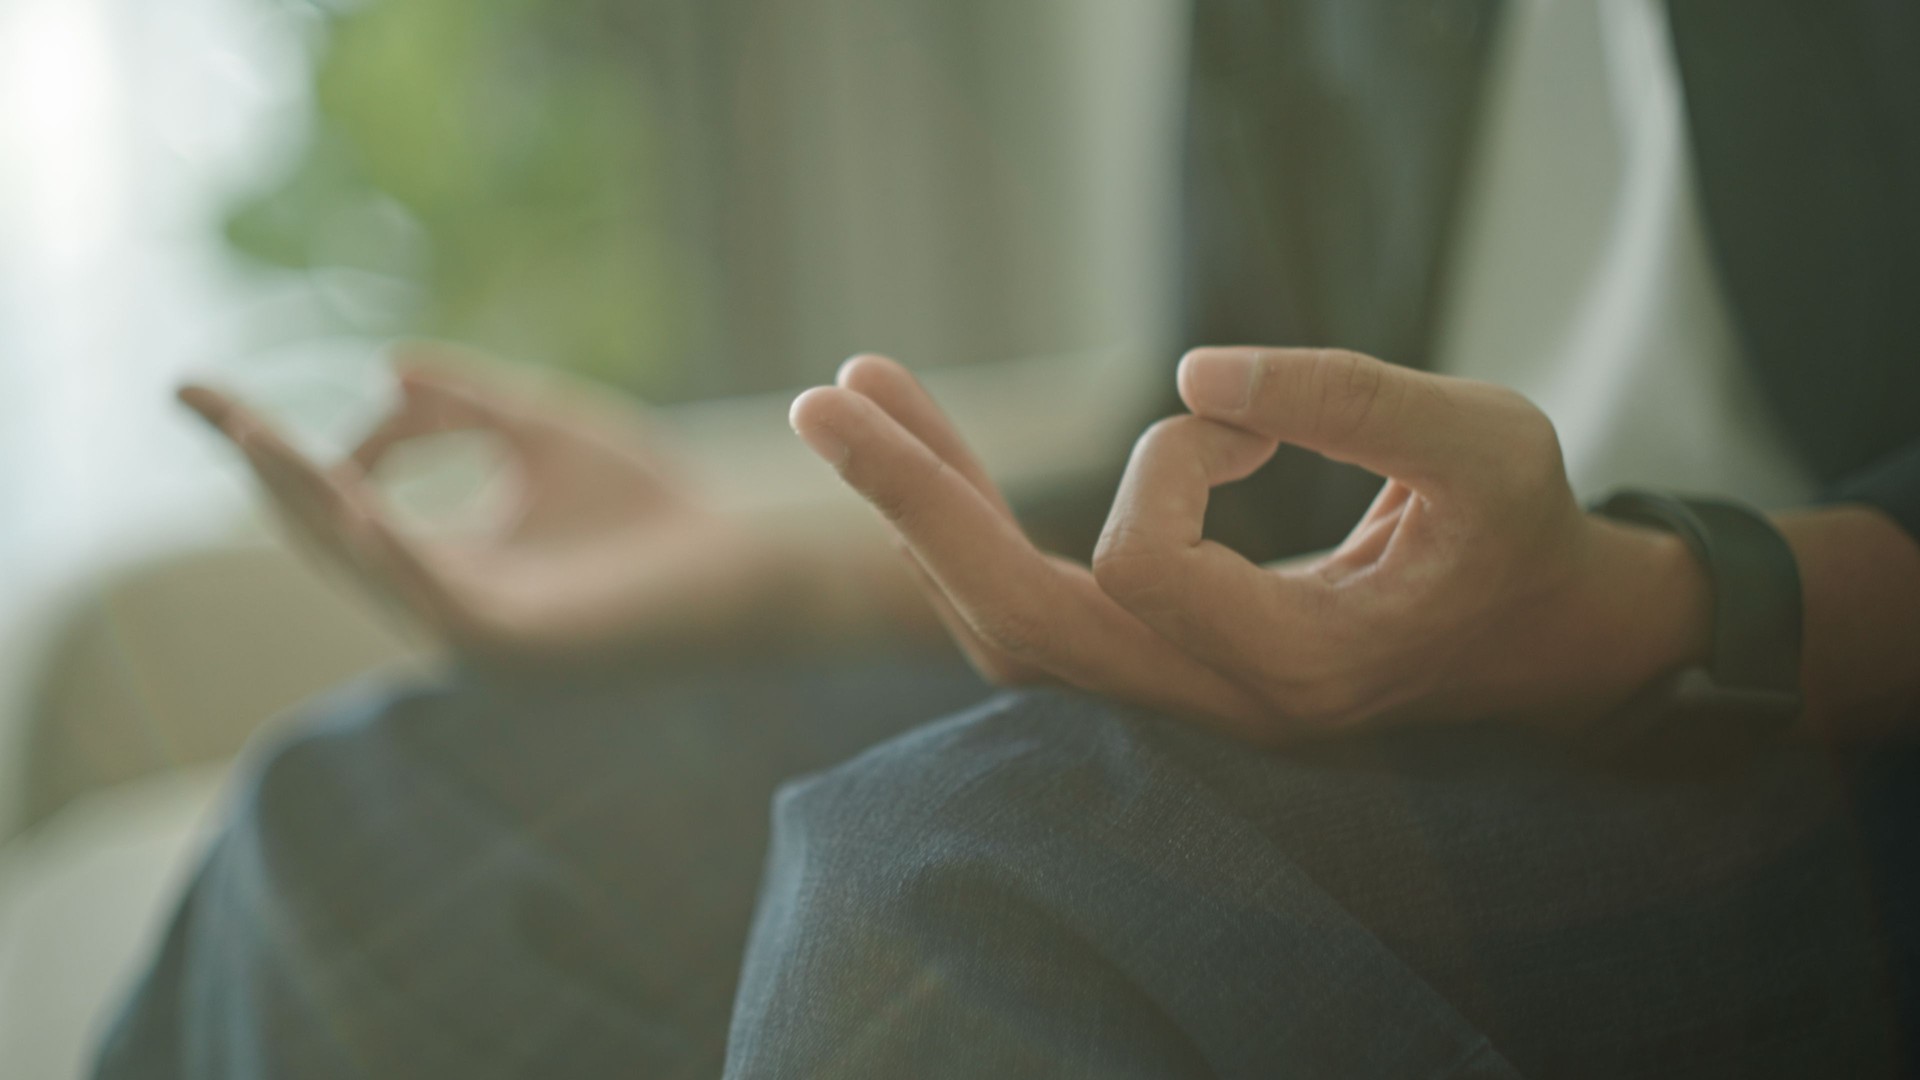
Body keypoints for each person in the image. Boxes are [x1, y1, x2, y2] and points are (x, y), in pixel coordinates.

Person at [96, 0, 1920, 1076]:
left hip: (1823, 705)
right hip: (1397, 682)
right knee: (381, 820)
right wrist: (768, 563)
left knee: (955, 881)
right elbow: (1227, 434)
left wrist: (1650, 604)